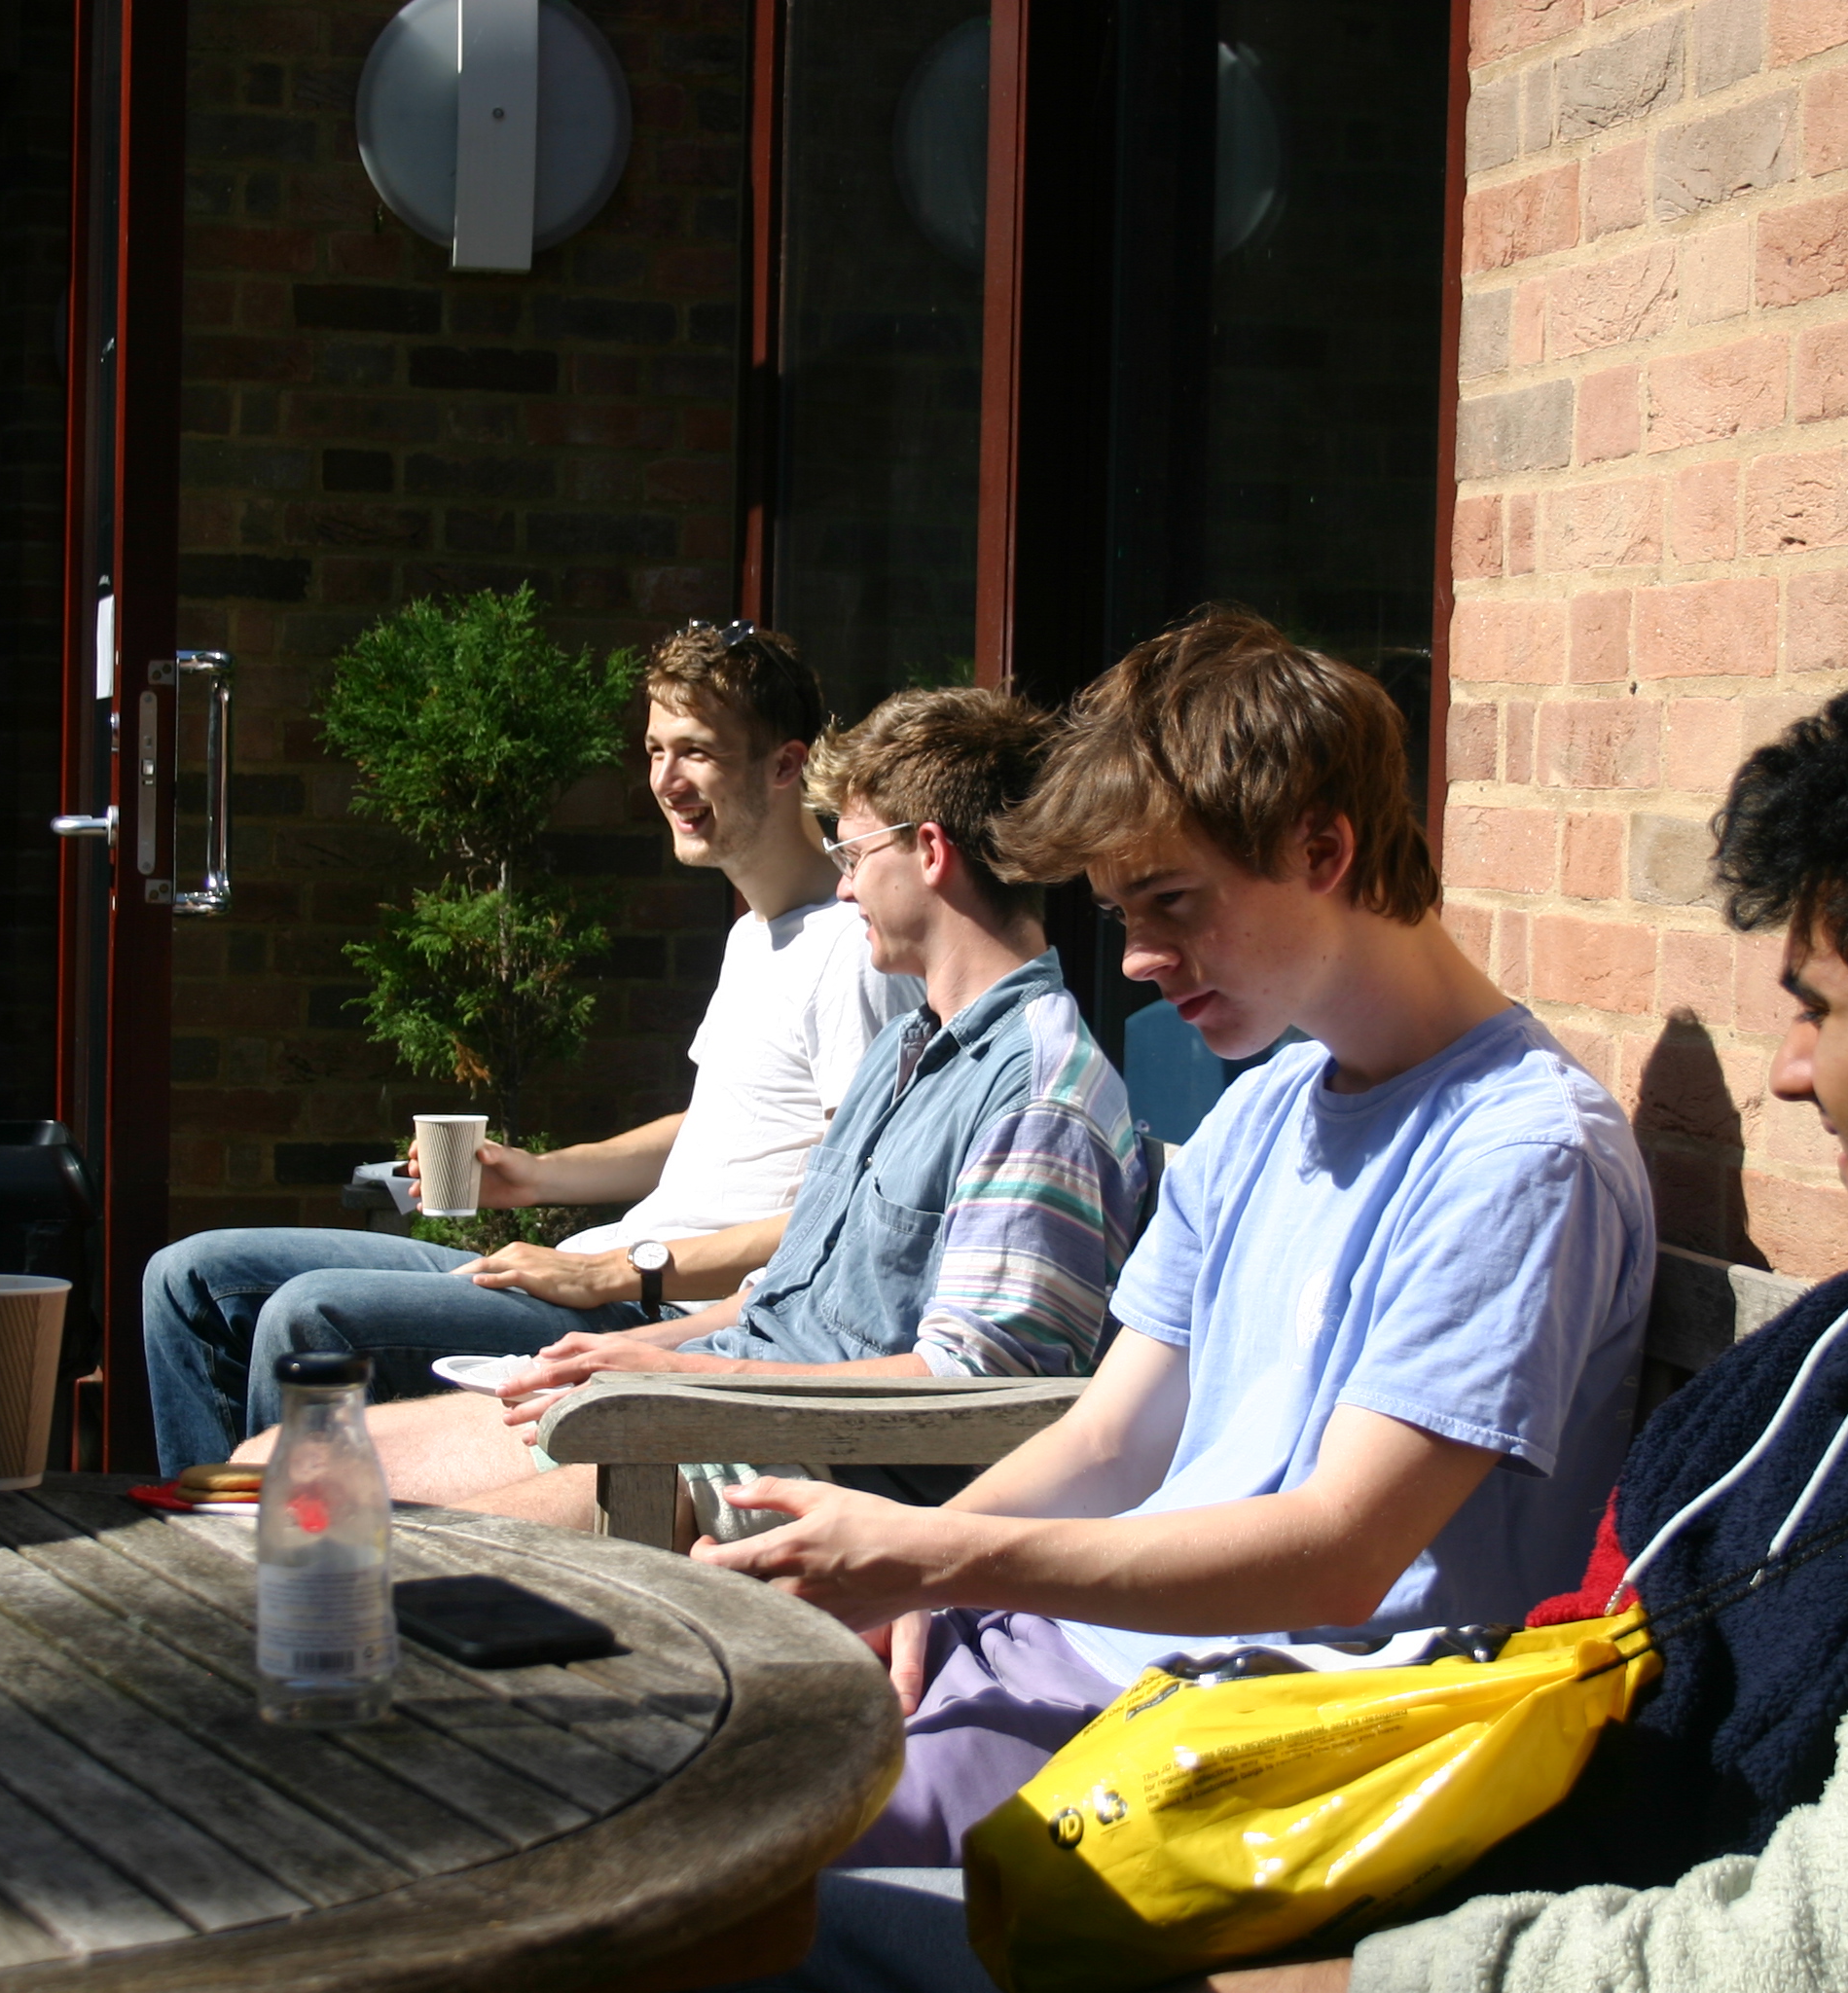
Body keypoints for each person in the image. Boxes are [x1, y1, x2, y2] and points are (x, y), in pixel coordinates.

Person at [1230, 640, 1848, 1993]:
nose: (1789, 1075)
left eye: (1818, 1011)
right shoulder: (1834, 1356)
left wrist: (1349, 1980)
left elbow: (1846, 1953)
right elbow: (1579, 1641)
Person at [697, 604, 1654, 1881]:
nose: (1141, 959)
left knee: (709, 1877)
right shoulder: (1267, 1105)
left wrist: (940, 1553)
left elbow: (1342, 1555)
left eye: (1172, 902)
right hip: (1075, 1661)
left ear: (1323, 848)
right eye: (1118, 912)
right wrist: (917, 1582)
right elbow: (1113, 1438)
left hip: (1249, 1757)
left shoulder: (1521, 1153)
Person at [239, 684, 1149, 1542]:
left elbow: (978, 1389)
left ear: (932, 852)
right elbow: (779, 1300)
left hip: (801, 1463)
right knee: (272, 1470)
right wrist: (603, 1357)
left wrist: (676, 1372)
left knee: (326, 1527)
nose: (842, 889)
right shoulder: (908, 1048)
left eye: (853, 856)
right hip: (714, 1403)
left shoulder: (1037, 1094)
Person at [140, 623, 919, 1474]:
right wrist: (536, 1176)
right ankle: (207, 1529)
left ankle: (288, 1546)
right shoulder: (756, 936)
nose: (665, 780)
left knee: (310, 1315)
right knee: (190, 1278)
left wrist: (623, 1270)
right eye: (654, 750)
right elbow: (718, 1127)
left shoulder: (854, 951)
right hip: (596, 1274)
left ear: (784, 765)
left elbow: (850, 1213)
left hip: (662, 1317)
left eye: (696, 752)